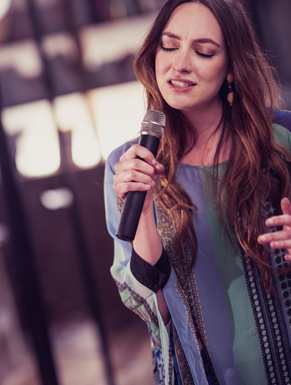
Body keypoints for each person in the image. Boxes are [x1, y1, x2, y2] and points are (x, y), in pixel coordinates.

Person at [104, 0, 291, 384]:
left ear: (232, 68)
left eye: (203, 51)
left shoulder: (283, 140)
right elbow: (155, 311)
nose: (180, 64)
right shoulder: (127, 165)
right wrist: (142, 218)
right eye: (169, 46)